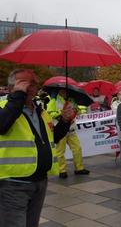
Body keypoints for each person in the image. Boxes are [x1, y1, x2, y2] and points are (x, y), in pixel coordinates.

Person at [0, 69, 75, 227]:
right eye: (25, 82)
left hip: (39, 181)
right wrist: (18, 96)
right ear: (12, 86)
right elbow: (2, 125)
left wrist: (65, 121)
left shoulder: (40, 111)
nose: (31, 87)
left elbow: (51, 138)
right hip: (12, 184)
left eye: (34, 83)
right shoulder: (4, 106)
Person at [46, 88, 90, 179]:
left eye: (66, 91)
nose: (66, 93)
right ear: (60, 91)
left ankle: (79, 168)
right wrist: (60, 113)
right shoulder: (53, 101)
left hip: (71, 129)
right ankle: (62, 170)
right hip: (60, 129)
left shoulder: (71, 101)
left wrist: (77, 111)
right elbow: (49, 114)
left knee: (77, 148)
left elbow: (78, 110)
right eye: (64, 91)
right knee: (60, 151)